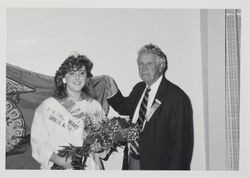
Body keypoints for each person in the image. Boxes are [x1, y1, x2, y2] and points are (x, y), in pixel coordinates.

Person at [106, 43, 194, 170]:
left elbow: (181, 147)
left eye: (149, 64)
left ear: (161, 66)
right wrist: (113, 93)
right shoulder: (139, 88)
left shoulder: (177, 98)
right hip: (132, 163)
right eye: (140, 64)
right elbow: (125, 108)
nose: (143, 68)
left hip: (158, 167)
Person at [31, 54, 106, 169]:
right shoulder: (48, 106)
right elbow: (38, 143)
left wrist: (99, 147)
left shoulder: (94, 106)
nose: (77, 78)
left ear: (86, 77)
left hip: (89, 168)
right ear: (64, 78)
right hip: (58, 168)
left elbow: (104, 141)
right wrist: (61, 160)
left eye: (81, 73)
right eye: (72, 73)